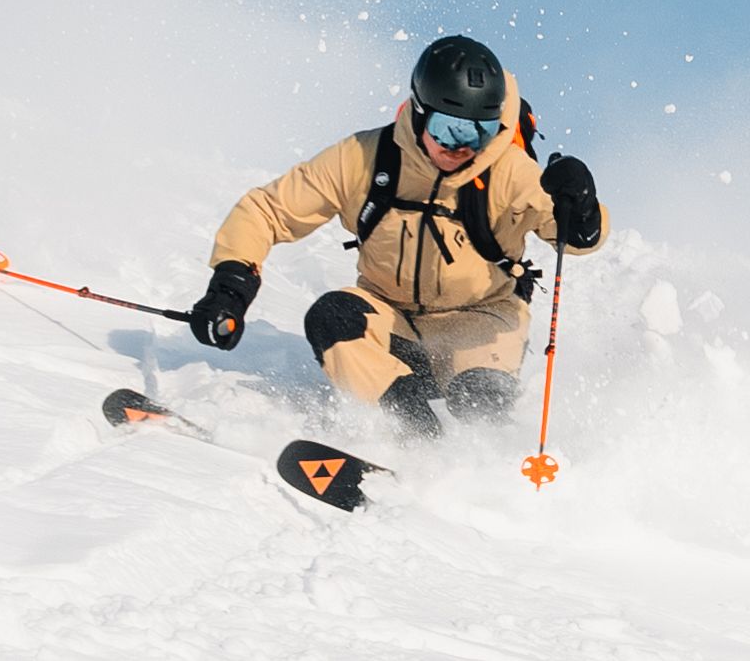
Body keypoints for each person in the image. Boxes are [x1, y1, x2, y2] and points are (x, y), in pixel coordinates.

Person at [186, 35, 608, 438]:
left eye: (478, 132)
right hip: (391, 319)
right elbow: (268, 210)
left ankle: (485, 474)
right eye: (448, 129)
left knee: (480, 406)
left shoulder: (508, 170)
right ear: (419, 111)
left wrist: (582, 205)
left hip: (480, 324)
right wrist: (231, 287)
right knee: (332, 316)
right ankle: (415, 445)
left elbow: (575, 235)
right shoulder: (367, 158)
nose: (462, 147)